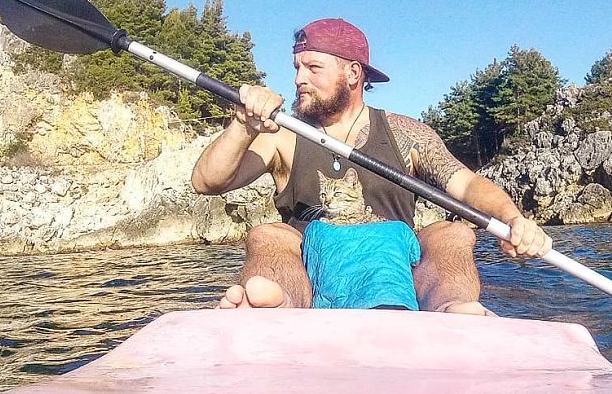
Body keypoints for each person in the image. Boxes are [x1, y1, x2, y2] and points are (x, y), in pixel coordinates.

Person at [191, 17, 552, 313]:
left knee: (451, 234)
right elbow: (206, 182)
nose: (299, 79)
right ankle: (278, 303)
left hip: (393, 265)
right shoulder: (282, 135)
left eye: (313, 68)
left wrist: (512, 218)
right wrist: (243, 125)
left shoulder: (405, 132)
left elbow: (467, 184)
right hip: (310, 265)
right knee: (269, 235)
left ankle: (451, 307)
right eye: (297, 68)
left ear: (352, 73)